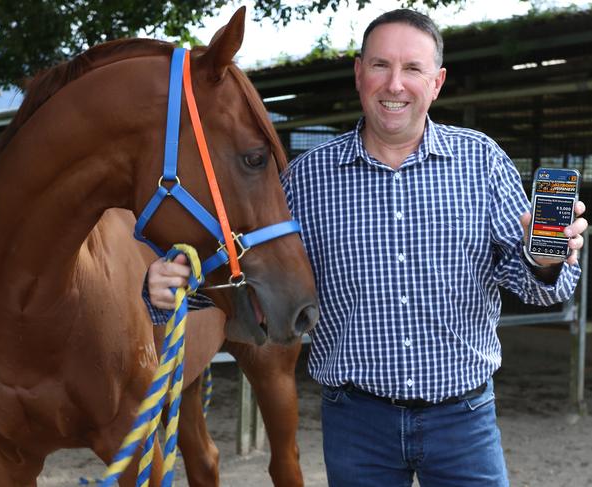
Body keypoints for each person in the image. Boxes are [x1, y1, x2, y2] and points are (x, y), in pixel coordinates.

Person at [144, 9, 588, 487]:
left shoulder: (482, 162)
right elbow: (248, 282)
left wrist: (543, 261)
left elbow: (543, 292)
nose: (394, 84)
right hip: (356, 424)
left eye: (413, 69)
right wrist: (170, 289)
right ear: (359, 74)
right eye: (380, 65)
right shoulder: (306, 179)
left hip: (465, 418)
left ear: (436, 83)